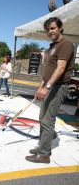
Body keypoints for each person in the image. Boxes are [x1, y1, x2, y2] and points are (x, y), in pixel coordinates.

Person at [26, 17, 74, 164]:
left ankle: (44, 154)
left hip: (58, 86)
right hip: (49, 85)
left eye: (53, 28)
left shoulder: (65, 44)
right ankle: (43, 146)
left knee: (48, 119)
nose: (50, 31)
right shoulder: (52, 46)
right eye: (48, 30)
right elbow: (48, 69)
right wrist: (41, 86)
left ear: (60, 28)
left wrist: (47, 87)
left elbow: (60, 68)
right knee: (42, 117)